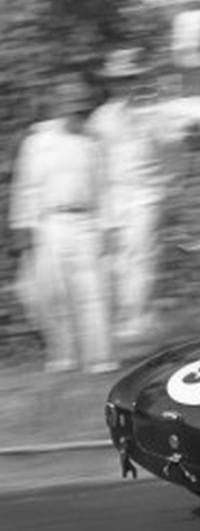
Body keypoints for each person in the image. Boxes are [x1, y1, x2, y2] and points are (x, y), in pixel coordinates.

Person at [8, 78, 118, 374]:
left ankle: (100, 358)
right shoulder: (37, 143)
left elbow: (104, 188)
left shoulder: (92, 144)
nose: (76, 114)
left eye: (81, 109)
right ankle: (62, 355)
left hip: (85, 223)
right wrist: (22, 229)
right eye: (71, 108)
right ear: (59, 108)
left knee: (93, 291)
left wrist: (108, 228)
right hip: (49, 225)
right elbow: (26, 188)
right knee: (52, 294)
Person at [87, 48, 181, 343]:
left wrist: (168, 187)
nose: (124, 85)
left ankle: (138, 319)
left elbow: (176, 154)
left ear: (137, 80)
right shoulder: (100, 119)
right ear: (111, 83)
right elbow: (93, 161)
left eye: (129, 79)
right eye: (119, 80)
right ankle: (122, 318)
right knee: (116, 260)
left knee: (142, 255)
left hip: (146, 194)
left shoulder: (154, 115)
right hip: (113, 195)